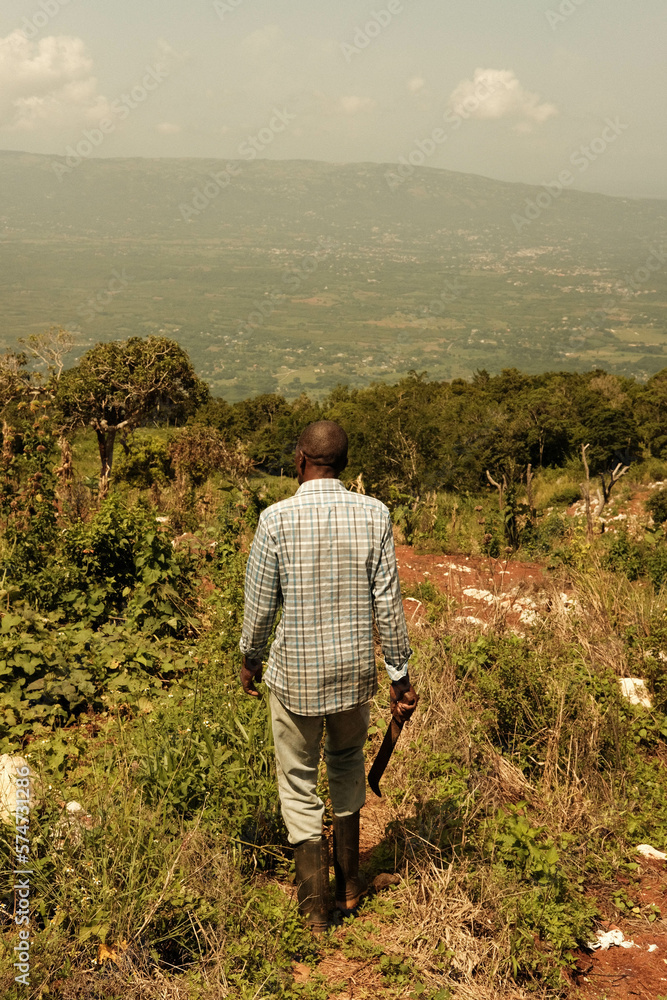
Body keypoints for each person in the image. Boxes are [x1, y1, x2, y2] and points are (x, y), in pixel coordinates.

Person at [239, 420, 418, 931]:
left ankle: (314, 908)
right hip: (352, 674)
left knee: (298, 781)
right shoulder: (374, 514)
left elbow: (260, 606)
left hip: (295, 674)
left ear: (300, 460)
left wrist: (251, 659)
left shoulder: (275, 520)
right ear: (343, 462)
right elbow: (388, 602)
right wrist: (399, 675)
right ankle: (350, 887)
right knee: (345, 764)